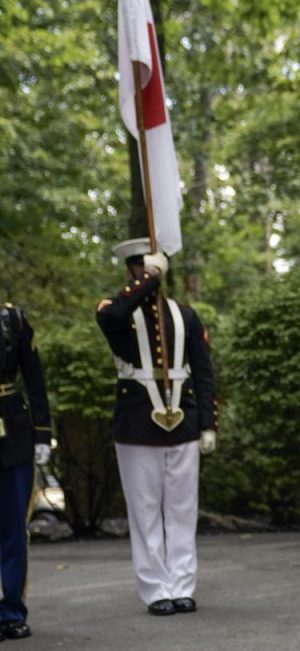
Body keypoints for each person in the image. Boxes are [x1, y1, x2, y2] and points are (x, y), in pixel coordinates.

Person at [97, 239, 218, 616]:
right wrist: (148, 277)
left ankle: (182, 584)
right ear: (130, 271)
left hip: (182, 421)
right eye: (138, 267)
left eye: (151, 267)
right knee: (145, 511)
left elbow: (203, 372)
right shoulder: (114, 311)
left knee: (182, 510)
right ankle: (155, 589)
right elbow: (114, 317)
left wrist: (208, 423)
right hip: (137, 425)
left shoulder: (185, 316)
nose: (145, 273)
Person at [0, 303, 52, 640]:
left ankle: (11, 611)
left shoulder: (13, 319)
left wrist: (43, 432)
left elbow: (34, 377)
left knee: (13, 528)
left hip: (12, 433)